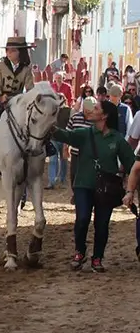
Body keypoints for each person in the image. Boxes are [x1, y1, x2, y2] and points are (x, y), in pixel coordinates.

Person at [54, 97, 134, 272]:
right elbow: (65, 135)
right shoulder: (85, 133)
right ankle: (79, 252)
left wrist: (130, 188)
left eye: (96, 108)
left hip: (106, 189)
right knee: (82, 219)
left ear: (104, 115)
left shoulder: (117, 139)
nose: (91, 110)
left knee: (102, 224)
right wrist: (46, 125)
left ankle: (97, 257)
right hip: (83, 184)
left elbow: (132, 163)